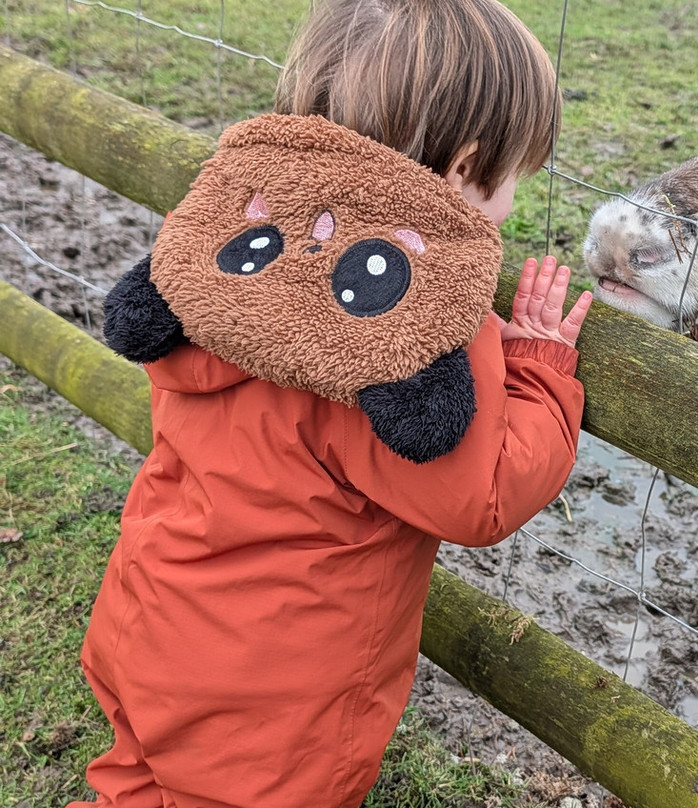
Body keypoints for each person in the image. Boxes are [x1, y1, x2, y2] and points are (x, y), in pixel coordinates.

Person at [69, 0, 592, 805]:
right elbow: (480, 497)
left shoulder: (220, 249)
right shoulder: (412, 323)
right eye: (517, 176)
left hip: (148, 619)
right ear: (462, 168)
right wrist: (540, 372)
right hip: (274, 701)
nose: (514, 207)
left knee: (135, 779)